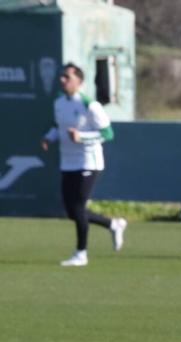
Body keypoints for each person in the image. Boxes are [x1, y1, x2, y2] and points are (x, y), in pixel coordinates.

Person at [40, 63, 127, 267]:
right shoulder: (59, 103)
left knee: (78, 208)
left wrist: (82, 136)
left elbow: (108, 133)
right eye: (62, 76)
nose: (63, 80)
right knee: (71, 211)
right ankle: (113, 224)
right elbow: (58, 126)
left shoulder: (90, 104)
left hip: (89, 161)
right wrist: (48, 138)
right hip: (67, 162)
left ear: (79, 81)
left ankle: (81, 253)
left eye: (67, 77)